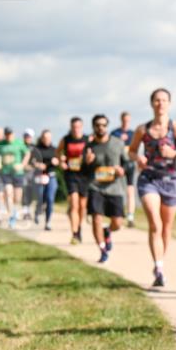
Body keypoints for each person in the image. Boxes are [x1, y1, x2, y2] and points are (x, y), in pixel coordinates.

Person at [129, 88, 176, 287]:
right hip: (149, 179)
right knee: (155, 224)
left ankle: (160, 262)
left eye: (164, 100)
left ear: (169, 103)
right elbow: (131, 151)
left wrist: (174, 153)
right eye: (157, 100)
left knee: (166, 228)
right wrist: (137, 157)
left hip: (170, 180)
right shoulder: (142, 129)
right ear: (152, 104)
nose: (160, 104)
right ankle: (158, 267)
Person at [84, 114, 129, 263]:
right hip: (95, 186)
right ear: (93, 127)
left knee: (118, 223)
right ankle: (102, 250)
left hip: (114, 187)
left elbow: (127, 164)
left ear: (107, 126)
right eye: (97, 125)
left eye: (103, 125)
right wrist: (87, 162)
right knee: (96, 218)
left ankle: (107, 231)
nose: (100, 127)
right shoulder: (89, 146)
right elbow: (82, 169)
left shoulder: (118, 143)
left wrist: (121, 170)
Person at [58, 117, 90, 244]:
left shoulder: (88, 139)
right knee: (74, 204)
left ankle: (79, 226)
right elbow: (58, 152)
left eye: (78, 127)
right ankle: (75, 233)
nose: (76, 129)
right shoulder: (66, 140)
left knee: (82, 206)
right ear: (71, 127)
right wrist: (61, 161)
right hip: (71, 175)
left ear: (82, 127)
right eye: (74, 127)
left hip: (84, 175)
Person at [0, 127, 30, 229]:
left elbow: (27, 153)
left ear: (13, 134)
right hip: (6, 172)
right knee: (8, 192)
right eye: (7, 134)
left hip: (18, 173)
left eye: (10, 134)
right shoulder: (0, 144)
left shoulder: (19, 143)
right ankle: (11, 217)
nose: (8, 136)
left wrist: (22, 165)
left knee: (17, 198)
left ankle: (14, 212)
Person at [110, 111, 138, 228]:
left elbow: (135, 149)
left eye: (128, 120)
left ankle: (130, 216)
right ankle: (118, 213)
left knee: (130, 190)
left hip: (130, 164)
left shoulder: (133, 133)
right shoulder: (115, 133)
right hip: (118, 165)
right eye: (124, 120)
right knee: (118, 190)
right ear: (121, 120)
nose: (126, 122)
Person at [33, 130, 59, 229]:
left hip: (51, 176)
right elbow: (32, 161)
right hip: (40, 176)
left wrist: (57, 161)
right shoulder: (37, 149)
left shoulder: (54, 150)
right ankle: (37, 211)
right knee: (40, 197)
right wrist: (38, 165)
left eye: (49, 138)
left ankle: (48, 222)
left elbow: (59, 160)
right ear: (42, 138)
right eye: (45, 138)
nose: (47, 140)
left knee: (50, 198)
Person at [20, 129, 40, 220]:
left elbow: (37, 160)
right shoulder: (19, 146)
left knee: (31, 192)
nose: (27, 138)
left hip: (32, 173)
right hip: (22, 172)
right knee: (24, 191)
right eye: (26, 136)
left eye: (29, 136)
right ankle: (25, 211)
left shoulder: (35, 148)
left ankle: (28, 210)